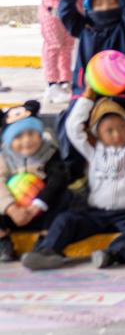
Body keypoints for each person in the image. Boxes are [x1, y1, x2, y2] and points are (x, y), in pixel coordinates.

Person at [22, 79, 125, 270]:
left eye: (122, 127)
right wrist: (88, 95)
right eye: (109, 130)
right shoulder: (93, 151)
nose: (117, 134)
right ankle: (48, 252)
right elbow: (73, 127)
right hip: (96, 214)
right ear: (97, 134)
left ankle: (113, 254)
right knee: (65, 220)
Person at [0, 103, 69, 262]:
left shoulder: (49, 152)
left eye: (31, 133)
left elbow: (57, 180)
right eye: (18, 137)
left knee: (65, 197)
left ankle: (46, 239)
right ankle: (3, 240)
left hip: (41, 211)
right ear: (8, 141)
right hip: (13, 214)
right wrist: (11, 208)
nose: (27, 140)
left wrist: (36, 207)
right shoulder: (4, 157)